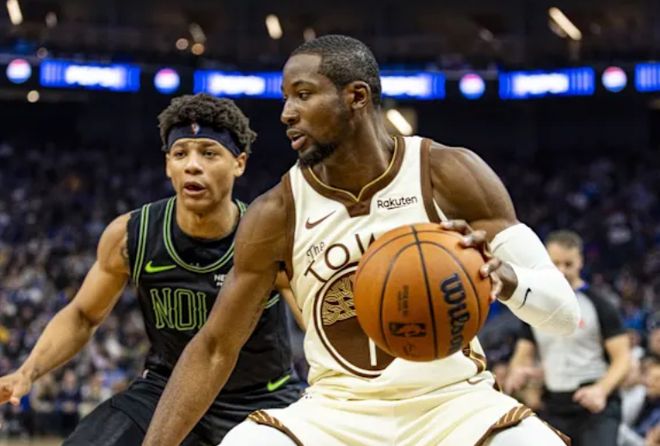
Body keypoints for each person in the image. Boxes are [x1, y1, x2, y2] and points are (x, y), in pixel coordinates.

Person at [143, 35, 580, 446]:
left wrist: (504, 279)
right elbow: (215, 348)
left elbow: (564, 314)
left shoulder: (447, 173)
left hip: (455, 404)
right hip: (337, 412)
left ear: (356, 96)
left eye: (303, 94)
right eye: (285, 98)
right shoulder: (276, 212)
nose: (286, 113)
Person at [0, 93, 302, 445]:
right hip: (165, 391)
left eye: (209, 153)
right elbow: (83, 315)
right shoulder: (131, 235)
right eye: (180, 153)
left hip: (261, 397)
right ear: (167, 165)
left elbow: (315, 323)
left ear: (239, 163)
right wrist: (27, 372)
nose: (192, 165)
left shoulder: (268, 238)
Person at [505, 230, 631, 446]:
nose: (562, 270)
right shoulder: (535, 306)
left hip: (595, 404)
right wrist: (517, 371)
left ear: (580, 261)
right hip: (554, 403)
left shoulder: (600, 304)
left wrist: (601, 390)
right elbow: (522, 354)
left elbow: (623, 358)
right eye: (555, 264)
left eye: (568, 264)